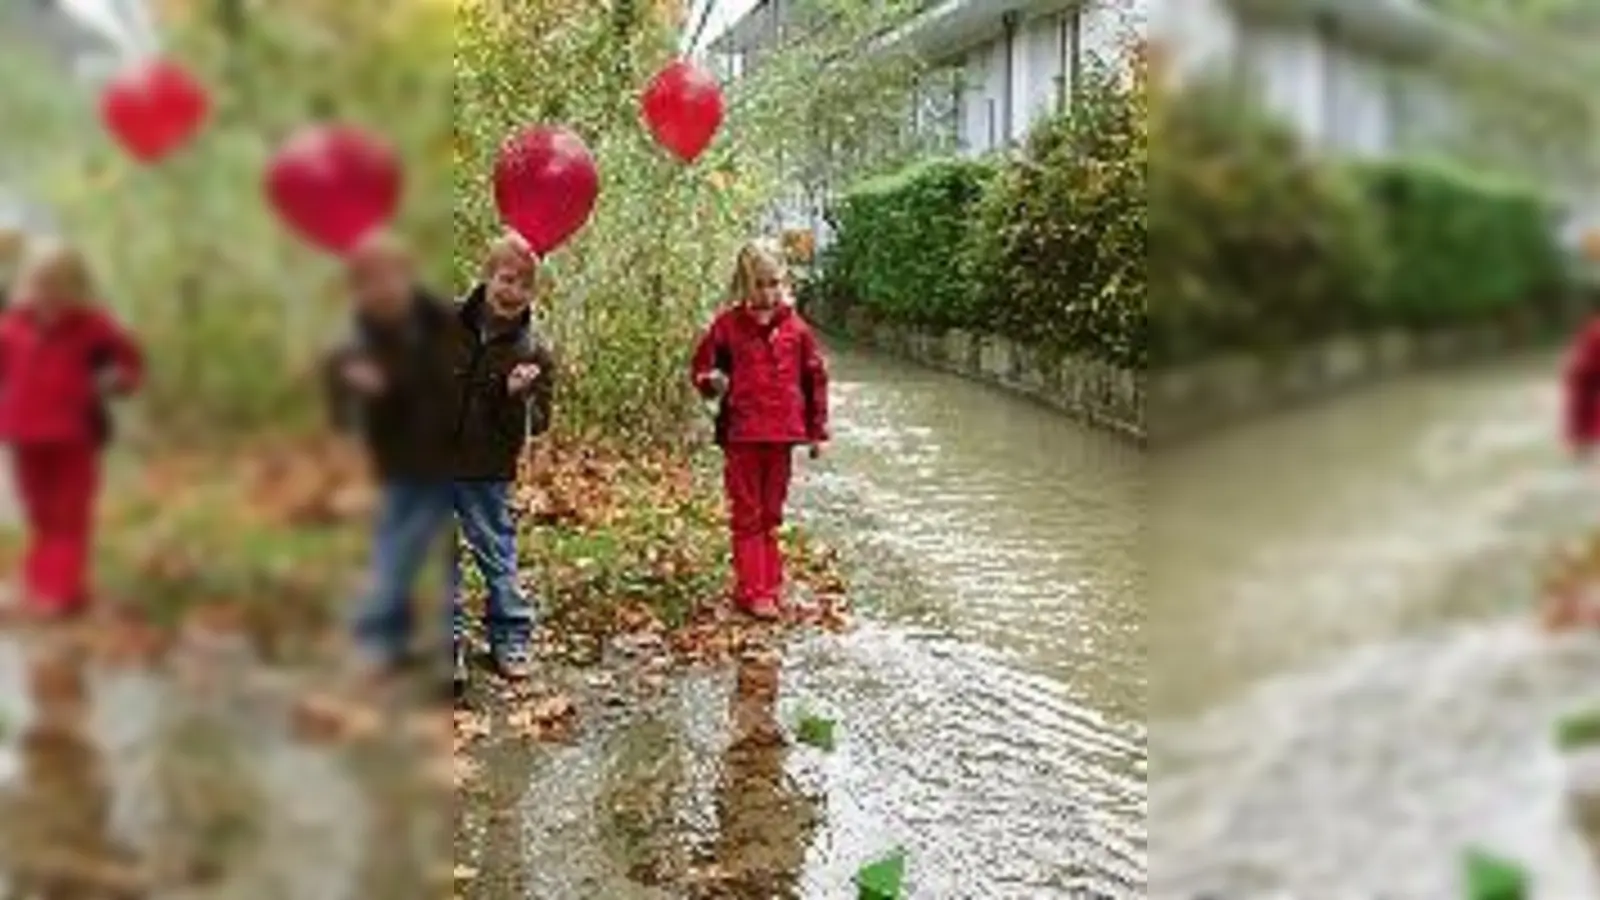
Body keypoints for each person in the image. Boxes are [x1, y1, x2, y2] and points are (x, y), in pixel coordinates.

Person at [323, 231, 459, 682]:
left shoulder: (441, 321)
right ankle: (389, 640)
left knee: (416, 553)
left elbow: (441, 382)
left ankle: (430, 645)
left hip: (447, 456)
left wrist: (386, 386)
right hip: (397, 458)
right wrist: (350, 404)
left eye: (389, 277)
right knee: (393, 541)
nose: (382, 289)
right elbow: (339, 391)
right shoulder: (358, 335)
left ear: (406, 275)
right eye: (369, 282)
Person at [0, 241, 143, 619]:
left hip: (74, 433)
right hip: (24, 434)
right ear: (26, 284)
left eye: (61, 285)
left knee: (70, 513)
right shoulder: (12, 327)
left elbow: (127, 364)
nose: (50, 294)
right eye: (41, 283)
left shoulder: (95, 328)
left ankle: (57, 591)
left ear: (78, 287)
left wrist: (118, 380)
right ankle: (43, 583)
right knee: (39, 512)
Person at [690, 240, 830, 619]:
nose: (767, 294)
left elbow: (814, 378)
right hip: (742, 434)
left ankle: (769, 581)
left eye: (773, 284)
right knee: (747, 510)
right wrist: (712, 382)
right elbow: (702, 369)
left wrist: (817, 431)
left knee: (771, 512)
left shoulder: (796, 331)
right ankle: (754, 589)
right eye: (758, 285)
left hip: (782, 435)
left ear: (783, 283)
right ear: (744, 285)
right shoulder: (727, 327)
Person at [449, 233, 554, 688]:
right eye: (506, 280)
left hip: (486, 468)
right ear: (487, 277)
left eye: (524, 285)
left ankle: (510, 636)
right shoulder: (442, 325)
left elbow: (539, 423)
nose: (513, 291)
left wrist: (516, 395)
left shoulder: (534, 353)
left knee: (496, 552)